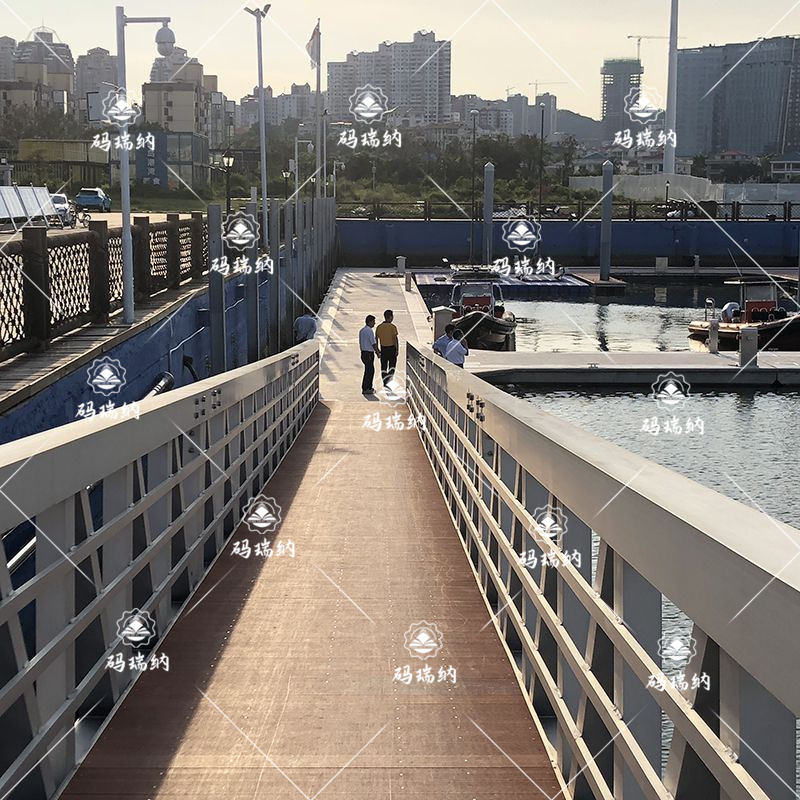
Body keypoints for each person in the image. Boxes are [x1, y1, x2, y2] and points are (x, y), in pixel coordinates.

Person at [375, 309, 399, 386]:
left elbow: (376, 339)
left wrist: (377, 350)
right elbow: (395, 339)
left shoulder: (379, 327)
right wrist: (397, 349)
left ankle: (385, 382)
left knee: (383, 367)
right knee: (392, 366)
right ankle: (389, 380)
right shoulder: (392, 327)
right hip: (392, 349)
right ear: (391, 317)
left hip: (383, 349)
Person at [358, 314, 379, 394]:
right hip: (369, 353)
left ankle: (368, 387)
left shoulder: (362, 331)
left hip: (363, 352)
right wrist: (377, 352)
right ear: (370, 322)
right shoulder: (369, 331)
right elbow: (373, 343)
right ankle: (366, 388)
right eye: (373, 321)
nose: (374, 323)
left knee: (368, 370)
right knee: (370, 370)